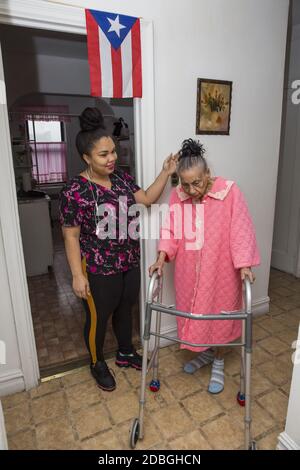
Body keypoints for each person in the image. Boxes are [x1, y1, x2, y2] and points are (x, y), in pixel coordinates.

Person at [59, 107, 177, 391]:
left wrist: (166, 172)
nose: (112, 158)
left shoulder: (122, 178)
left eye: (113, 151)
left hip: (128, 261)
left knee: (126, 309)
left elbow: (147, 198)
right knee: (99, 317)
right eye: (103, 154)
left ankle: (125, 352)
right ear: (86, 157)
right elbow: (71, 236)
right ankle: (97, 362)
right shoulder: (75, 190)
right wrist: (77, 275)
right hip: (98, 267)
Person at [149, 139, 260, 394]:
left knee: (219, 314)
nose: (191, 189)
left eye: (196, 182)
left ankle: (218, 359)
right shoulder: (179, 197)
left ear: (207, 174)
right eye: (185, 184)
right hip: (189, 269)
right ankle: (206, 353)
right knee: (195, 312)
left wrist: (244, 265)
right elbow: (171, 229)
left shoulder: (229, 191)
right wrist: (161, 256)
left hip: (220, 269)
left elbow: (241, 228)